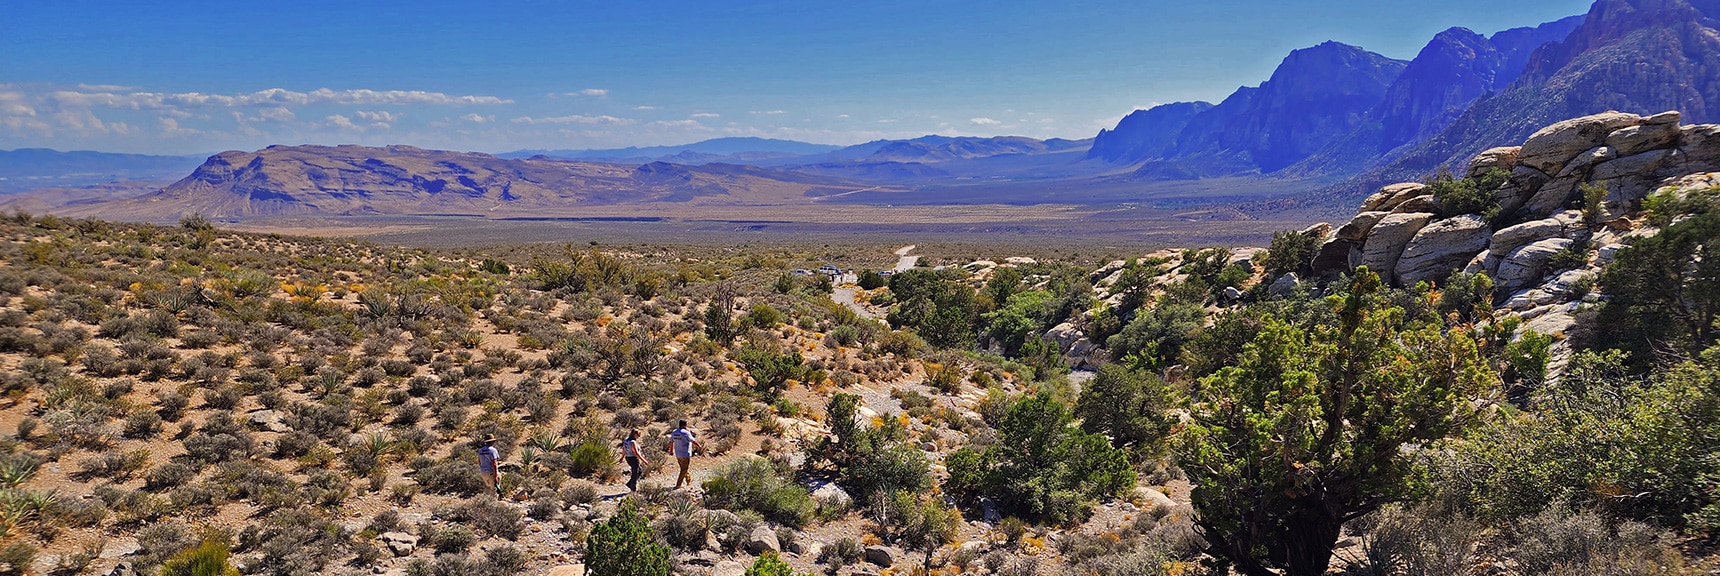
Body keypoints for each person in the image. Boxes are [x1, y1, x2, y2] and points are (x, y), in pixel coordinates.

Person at [668, 420, 702, 490]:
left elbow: (671, 442)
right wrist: (699, 446)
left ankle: (688, 479)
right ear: (685, 425)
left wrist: (671, 451)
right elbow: (693, 441)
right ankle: (678, 485)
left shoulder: (674, 432)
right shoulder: (686, 433)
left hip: (678, 454)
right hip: (685, 454)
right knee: (684, 469)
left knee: (683, 468)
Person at [478, 435, 501, 499]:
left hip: (483, 472)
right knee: (494, 489)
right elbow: (494, 463)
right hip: (491, 472)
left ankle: (486, 502)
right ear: (492, 442)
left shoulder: (480, 450)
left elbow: (479, 462)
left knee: (488, 487)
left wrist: (483, 469)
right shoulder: (493, 450)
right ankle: (493, 505)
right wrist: (495, 475)